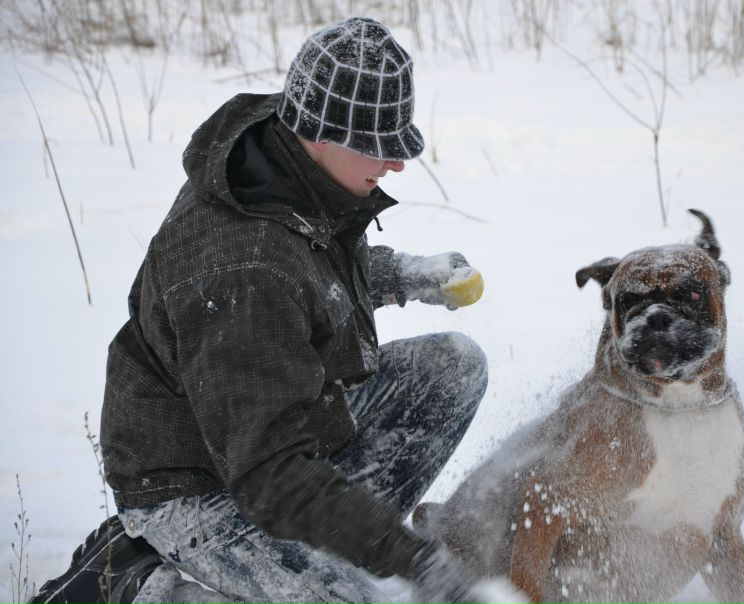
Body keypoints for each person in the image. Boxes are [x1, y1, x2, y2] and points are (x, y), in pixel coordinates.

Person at [31, 17, 495, 604]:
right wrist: (413, 563)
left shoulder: (285, 156)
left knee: (450, 367)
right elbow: (269, 472)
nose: (397, 165)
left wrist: (400, 275)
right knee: (358, 599)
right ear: (324, 133)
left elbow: (306, 276)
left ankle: (321, 545)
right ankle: (131, 580)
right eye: (381, 148)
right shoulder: (243, 266)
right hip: (197, 482)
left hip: (266, 424)